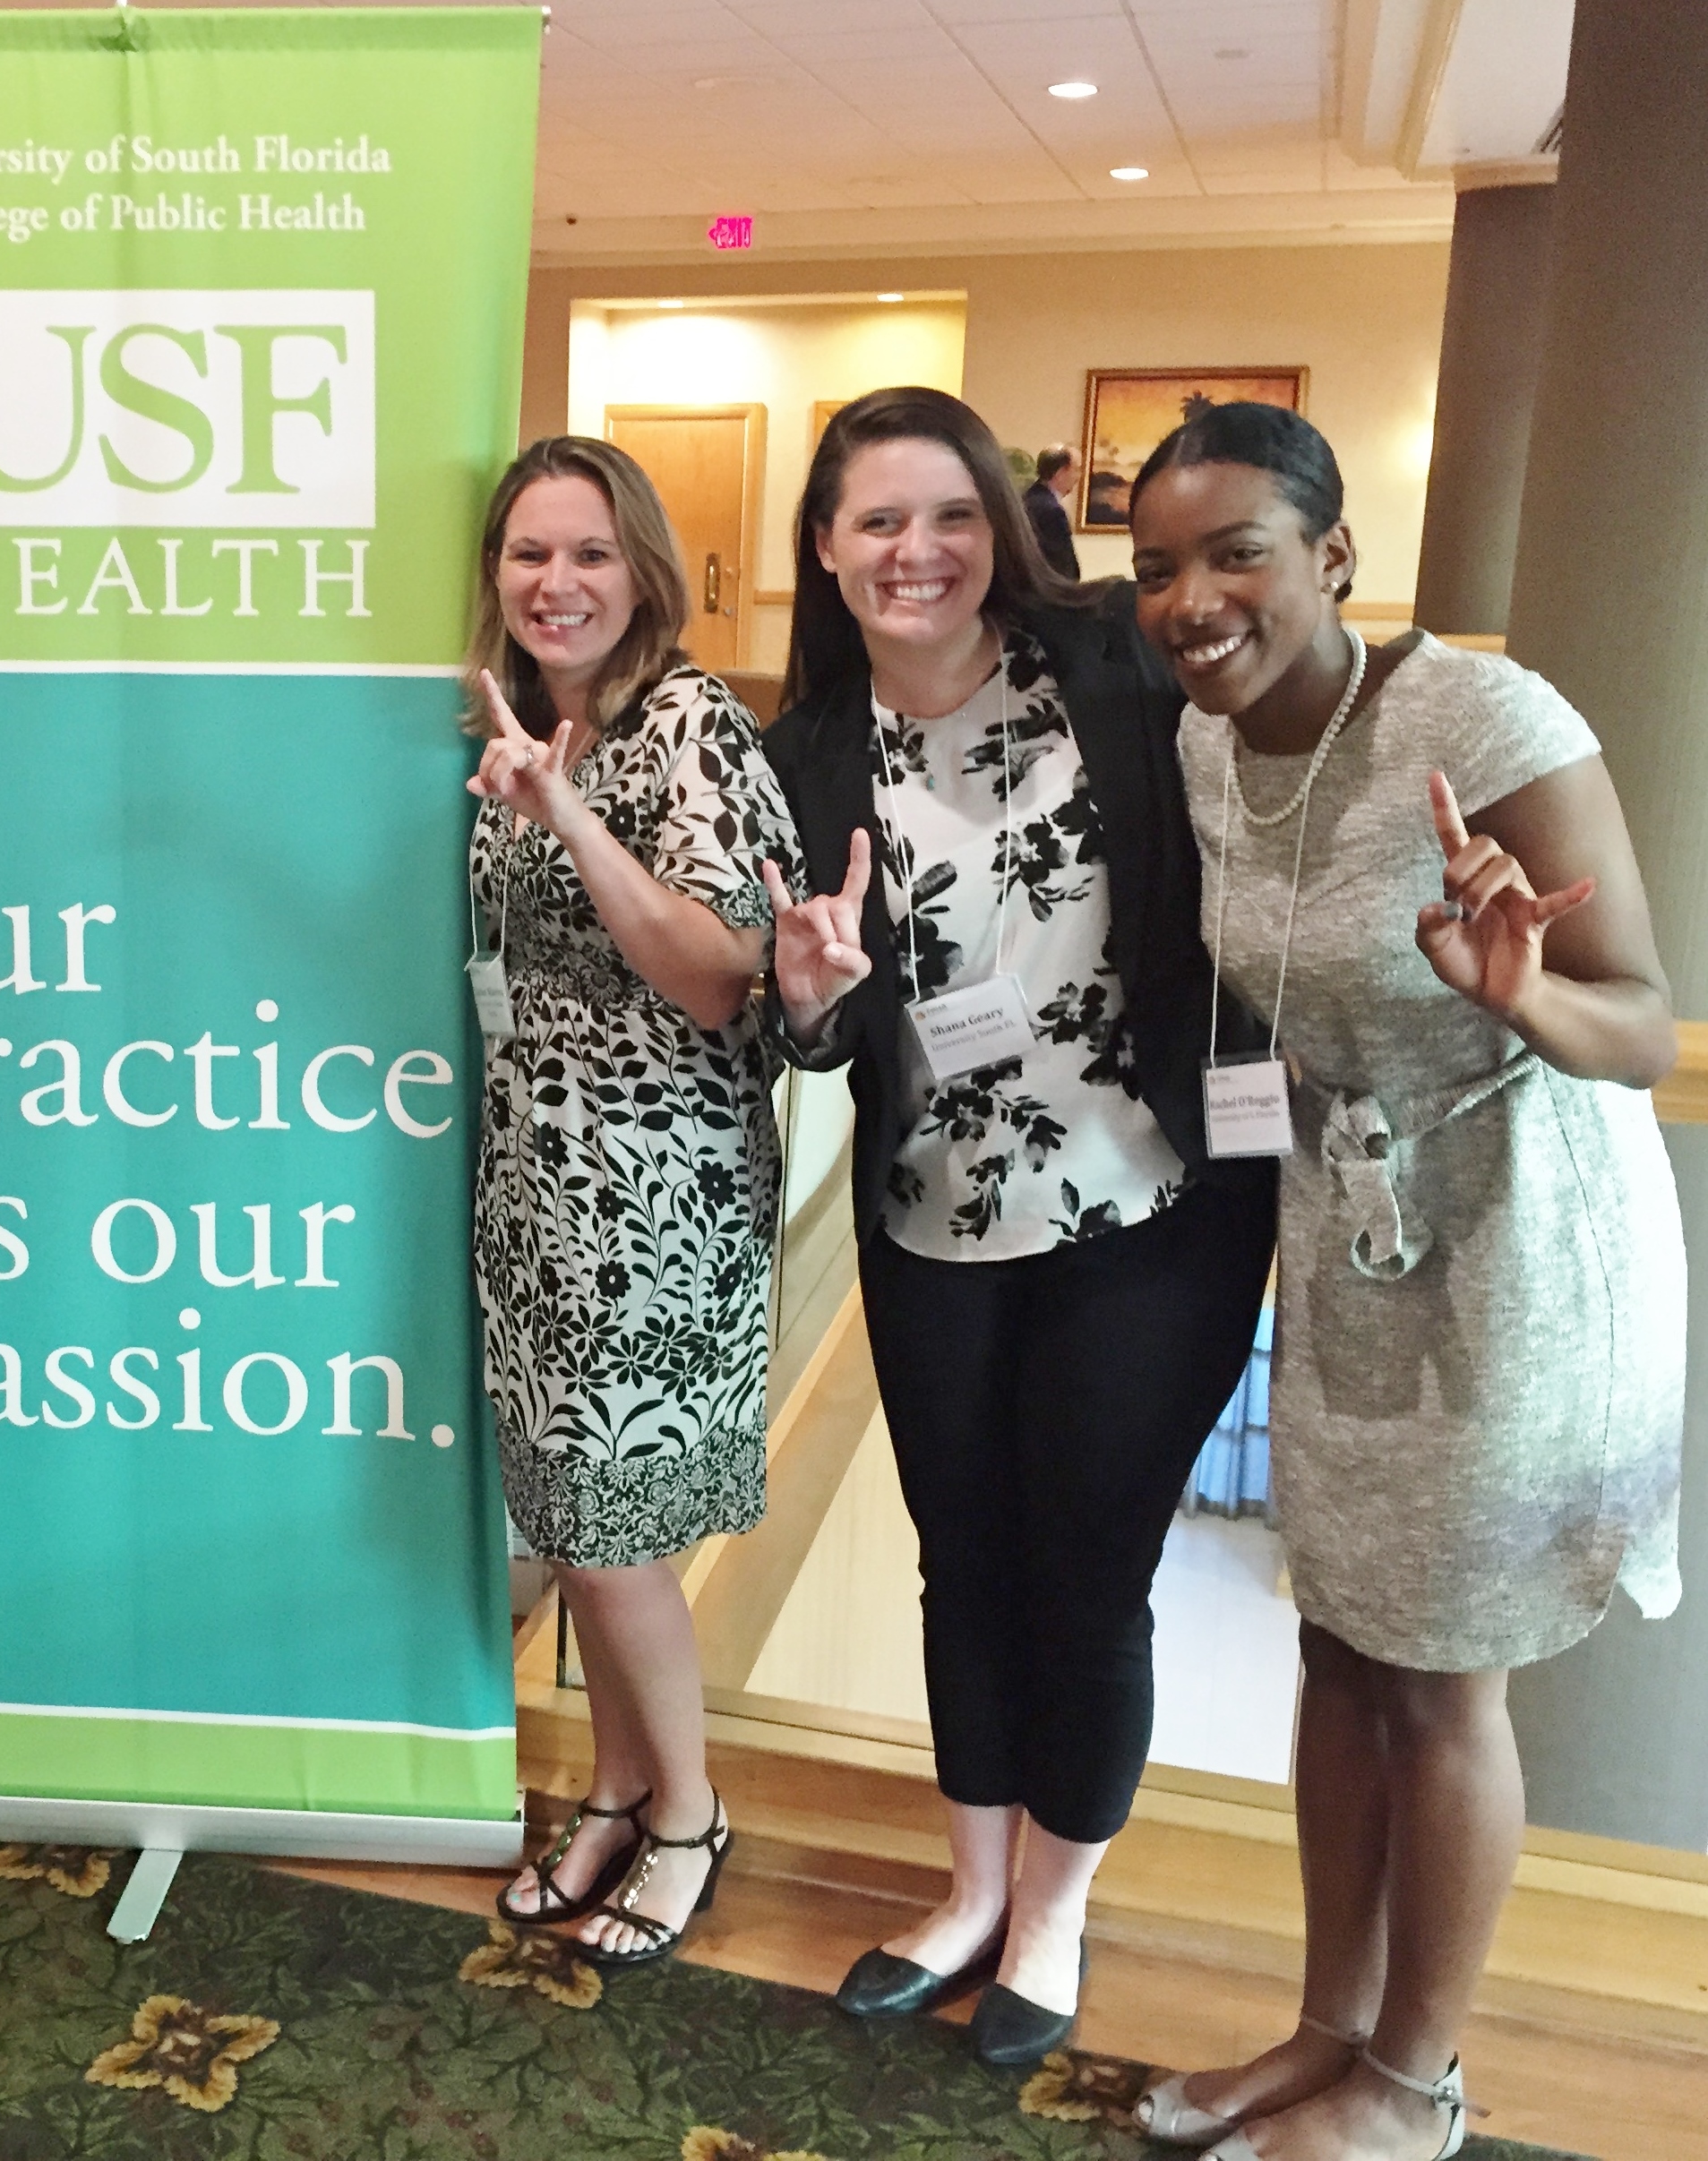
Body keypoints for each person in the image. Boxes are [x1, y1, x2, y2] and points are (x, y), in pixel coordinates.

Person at [1125, 404, 1683, 2161]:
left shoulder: (1477, 720)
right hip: (1343, 1229)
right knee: (1336, 1646)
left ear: (1330, 559)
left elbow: (1638, 1023)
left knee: (1441, 1674)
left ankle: (1413, 2081)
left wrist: (1515, 991)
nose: (1190, 595)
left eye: (1234, 553)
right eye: (1154, 564)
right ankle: (1323, 2031)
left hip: (1518, 1242)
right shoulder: (1206, 746)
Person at [756, 387, 1277, 2066]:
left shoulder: (1116, 676)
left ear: (999, 521)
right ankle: (969, 1884)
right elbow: (815, 1029)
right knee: (958, 1564)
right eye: (877, 522)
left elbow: (1279, 800)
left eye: (947, 513)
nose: (917, 550)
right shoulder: (809, 752)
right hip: (931, 1219)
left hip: (1151, 1210)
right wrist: (814, 1004)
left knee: (1086, 1571)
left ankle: (1055, 1904)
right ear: (826, 552)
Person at [466, 436, 803, 1967]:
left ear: (643, 568)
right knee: (569, 1506)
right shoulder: (538, 722)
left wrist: (567, 821)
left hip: (654, 1192)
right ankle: (610, 1786)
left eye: (589, 552)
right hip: (530, 1177)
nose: (557, 581)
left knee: (615, 1536)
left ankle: (687, 1816)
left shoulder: (689, 728)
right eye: (529, 553)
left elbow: (719, 977)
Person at [1024, 446, 1082, 581]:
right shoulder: (1052, 512)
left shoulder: (1028, 499)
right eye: (1077, 469)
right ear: (1060, 473)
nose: (1078, 477)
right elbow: (1061, 568)